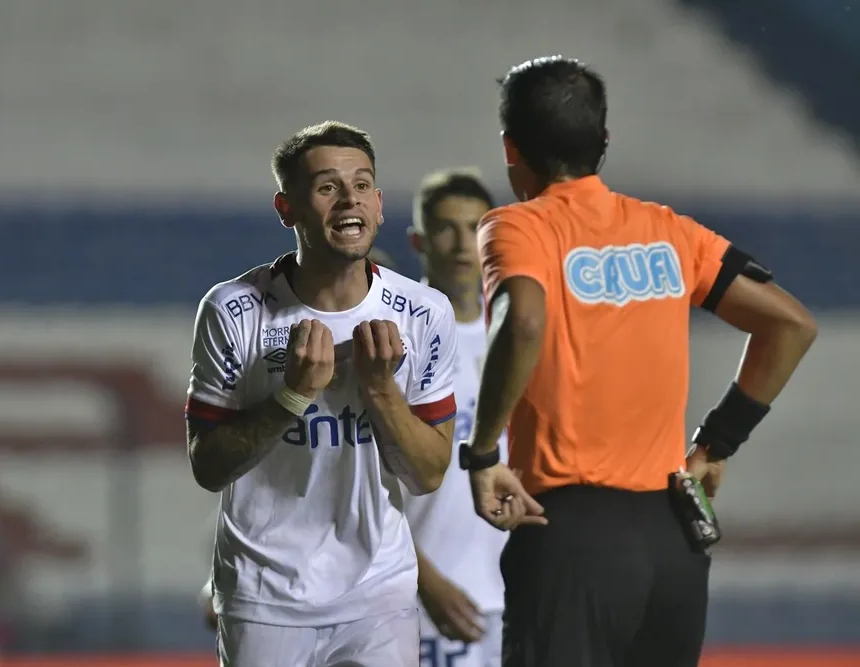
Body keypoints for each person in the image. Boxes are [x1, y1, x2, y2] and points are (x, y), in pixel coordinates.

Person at [462, 56, 818, 667]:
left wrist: (483, 451)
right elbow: (790, 324)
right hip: (672, 537)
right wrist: (718, 442)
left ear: (509, 148)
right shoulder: (669, 231)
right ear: (604, 141)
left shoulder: (518, 227)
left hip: (570, 532)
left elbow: (522, 322)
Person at [185, 121, 475, 667]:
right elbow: (208, 467)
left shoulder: (423, 314)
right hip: (265, 594)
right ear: (286, 208)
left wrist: (380, 390)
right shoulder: (234, 310)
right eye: (327, 187)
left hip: (379, 591)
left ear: (381, 204)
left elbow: (428, 473)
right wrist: (292, 396)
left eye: (362, 185)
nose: (349, 200)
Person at [404, 169, 506, 667]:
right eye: (447, 228)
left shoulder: (518, 335)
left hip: (517, 594)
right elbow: (362, 484)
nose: (465, 244)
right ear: (419, 241)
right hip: (429, 600)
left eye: (478, 227)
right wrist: (426, 580)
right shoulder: (394, 342)